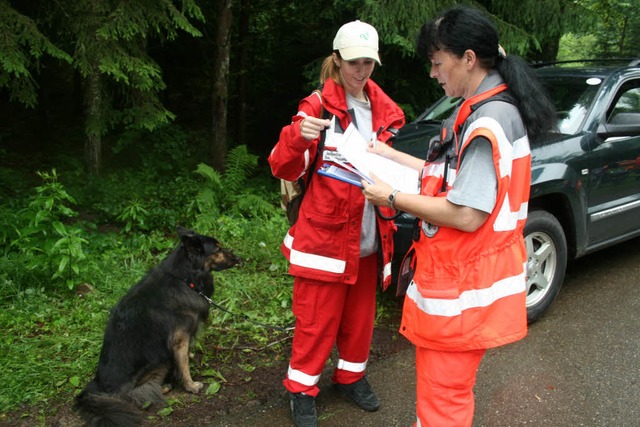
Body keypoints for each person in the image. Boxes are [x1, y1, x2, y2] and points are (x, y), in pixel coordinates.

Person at [361, 5, 556, 427]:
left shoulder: (487, 121)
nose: (433, 74)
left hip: (461, 288)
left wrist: (391, 196)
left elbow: (466, 213)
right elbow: (451, 178)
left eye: (437, 63)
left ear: (468, 58)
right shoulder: (489, 107)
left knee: (443, 404)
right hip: (464, 282)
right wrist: (391, 155)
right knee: (445, 397)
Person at [268, 20, 405, 427]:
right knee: (316, 322)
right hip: (325, 240)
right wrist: (298, 135)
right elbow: (280, 164)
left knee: (360, 322)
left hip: (369, 236)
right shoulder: (316, 107)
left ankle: (351, 377)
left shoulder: (385, 110)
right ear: (337, 60)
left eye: (368, 62)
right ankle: (301, 391)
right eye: (353, 62)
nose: (361, 71)